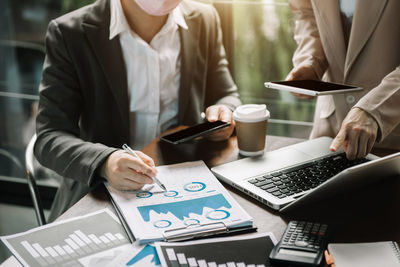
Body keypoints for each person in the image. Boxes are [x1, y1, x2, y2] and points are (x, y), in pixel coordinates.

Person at [34, 0, 241, 221]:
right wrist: (105, 161)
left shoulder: (204, 18)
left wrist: (224, 111)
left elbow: (226, 94)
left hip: (184, 185)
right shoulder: (69, 33)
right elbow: (49, 138)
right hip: (101, 193)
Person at [287, 0, 400, 160]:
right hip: (327, 136)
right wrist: (312, 60)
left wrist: (375, 109)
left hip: (392, 143)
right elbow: (307, 12)